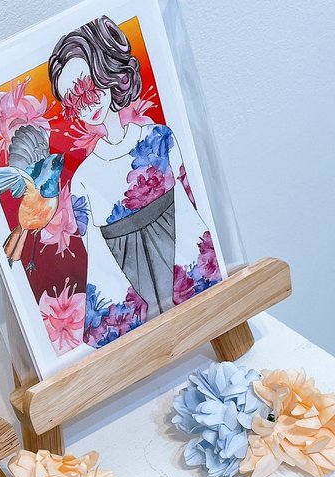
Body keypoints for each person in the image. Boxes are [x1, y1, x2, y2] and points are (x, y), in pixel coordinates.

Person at [48, 15, 222, 322]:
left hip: (185, 258)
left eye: (88, 89)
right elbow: (96, 256)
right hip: (128, 282)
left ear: (107, 72)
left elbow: (191, 205)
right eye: (75, 102)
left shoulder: (159, 138)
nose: (87, 106)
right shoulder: (83, 179)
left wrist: (205, 265)